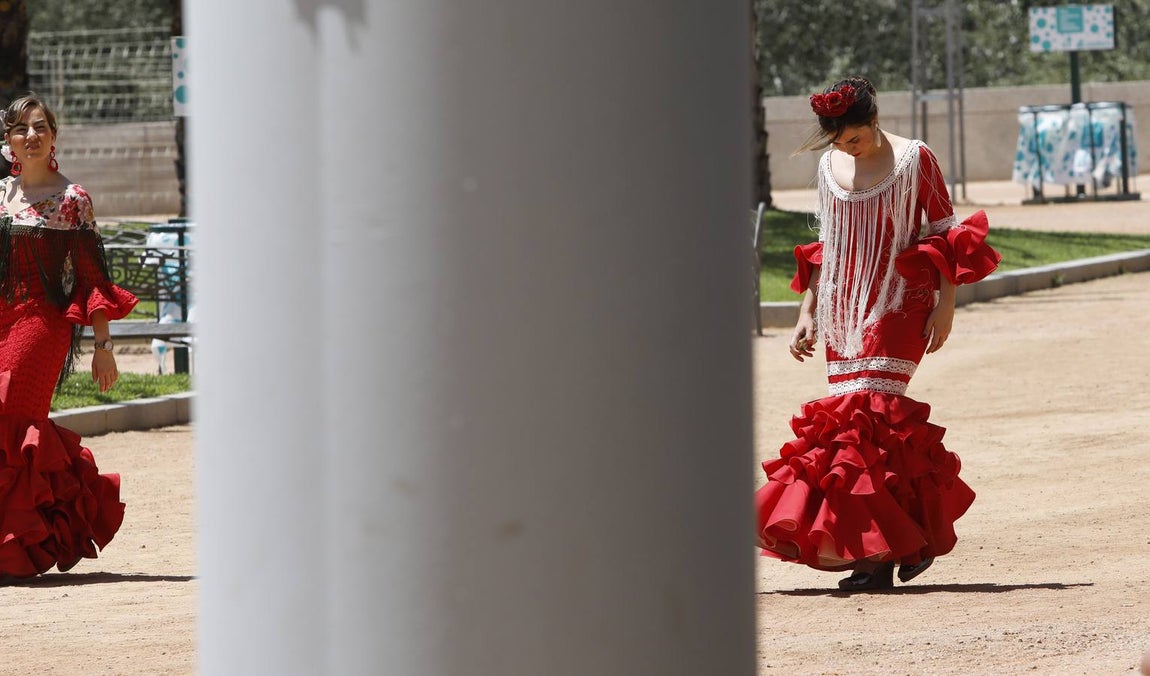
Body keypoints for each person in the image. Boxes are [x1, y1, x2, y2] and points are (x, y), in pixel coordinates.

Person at [754, 77, 1001, 591]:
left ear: (873, 120)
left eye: (855, 137)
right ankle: (901, 541)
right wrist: (808, 312)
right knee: (858, 427)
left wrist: (945, 306)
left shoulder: (916, 159)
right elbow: (829, 244)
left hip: (902, 303)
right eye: (840, 141)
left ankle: (876, 558)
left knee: (870, 411)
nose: (848, 147)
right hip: (843, 307)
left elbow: (943, 234)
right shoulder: (828, 168)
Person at [0, 94, 137, 577]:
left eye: (40, 127)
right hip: (1, 314)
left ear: (54, 136)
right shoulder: (0, 195)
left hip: (43, 320)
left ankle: (23, 542)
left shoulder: (73, 199)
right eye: (20, 129)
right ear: (8, 141)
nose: (30, 136)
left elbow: (90, 278)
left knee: (10, 410)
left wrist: (103, 347)